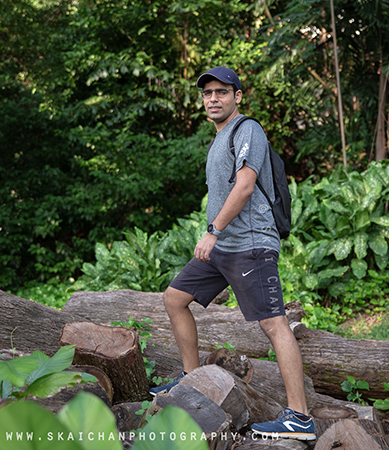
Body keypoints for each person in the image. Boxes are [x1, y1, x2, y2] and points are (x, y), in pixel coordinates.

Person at [149, 66, 315, 441]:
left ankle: (300, 418)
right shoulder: (219, 138)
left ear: (237, 96)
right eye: (207, 93)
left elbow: (244, 187)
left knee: (274, 324)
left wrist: (212, 231)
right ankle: (192, 383)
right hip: (224, 247)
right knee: (175, 298)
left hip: (250, 245)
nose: (213, 99)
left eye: (221, 92)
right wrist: (217, 237)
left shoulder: (247, 130)